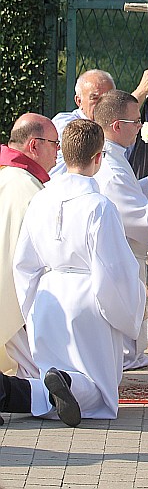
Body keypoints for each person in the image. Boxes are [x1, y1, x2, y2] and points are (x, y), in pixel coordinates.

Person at [1, 120, 146, 427]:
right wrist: (130, 306)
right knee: (100, 393)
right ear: (99, 158)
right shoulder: (99, 206)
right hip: (88, 299)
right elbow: (113, 270)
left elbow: (24, 262)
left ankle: (12, 392)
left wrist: (31, 308)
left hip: (48, 296)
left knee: (48, 372)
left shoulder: (41, 198)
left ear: (63, 154)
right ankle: (66, 381)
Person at [92, 90, 148, 370]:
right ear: (117, 126)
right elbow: (143, 221)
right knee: (124, 331)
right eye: (135, 122)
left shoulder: (113, 157)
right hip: (122, 256)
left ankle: (130, 356)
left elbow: (126, 198)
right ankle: (125, 361)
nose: (140, 127)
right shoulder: (111, 165)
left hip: (123, 254)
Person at [0, 114, 59, 379]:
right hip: (12, 295)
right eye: (54, 143)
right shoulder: (25, 188)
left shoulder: (9, 175)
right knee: (36, 376)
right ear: (34, 145)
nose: (58, 151)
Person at [51, 66, 148, 174]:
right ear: (79, 101)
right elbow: (92, 141)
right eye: (95, 98)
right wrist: (140, 92)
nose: (102, 104)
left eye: (108, 98)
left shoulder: (124, 126)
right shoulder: (65, 123)